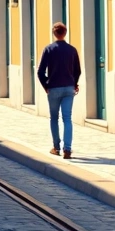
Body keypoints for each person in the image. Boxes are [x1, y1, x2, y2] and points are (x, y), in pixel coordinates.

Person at [37, 22, 81, 159]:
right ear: (65, 33)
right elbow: (77, 71)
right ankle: (67, 149)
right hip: (68, 88)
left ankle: (56, 147)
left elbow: (40, 72)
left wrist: (46, 86)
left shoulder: (49, 49)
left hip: (54, 88)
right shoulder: (72, 50)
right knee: (67, 118)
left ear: (54, 33)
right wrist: (74, 84)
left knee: (54, 118)